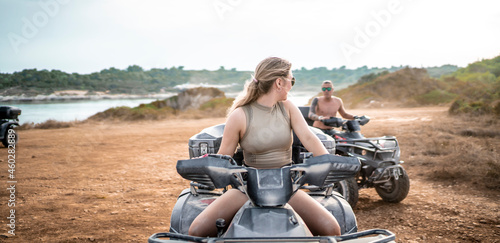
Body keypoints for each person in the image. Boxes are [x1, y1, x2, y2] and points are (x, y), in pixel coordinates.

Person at [188, 57, 341, 237]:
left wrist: (328, 161)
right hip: (247, 189)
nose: (292, 85)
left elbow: (308, 137)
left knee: (332, 229)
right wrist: (205, 163)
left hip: (287, 187)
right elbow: (224, 157)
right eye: (291, 80)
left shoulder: (288, 108)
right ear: (279, 82)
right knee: (197, 230)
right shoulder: (240, 115)